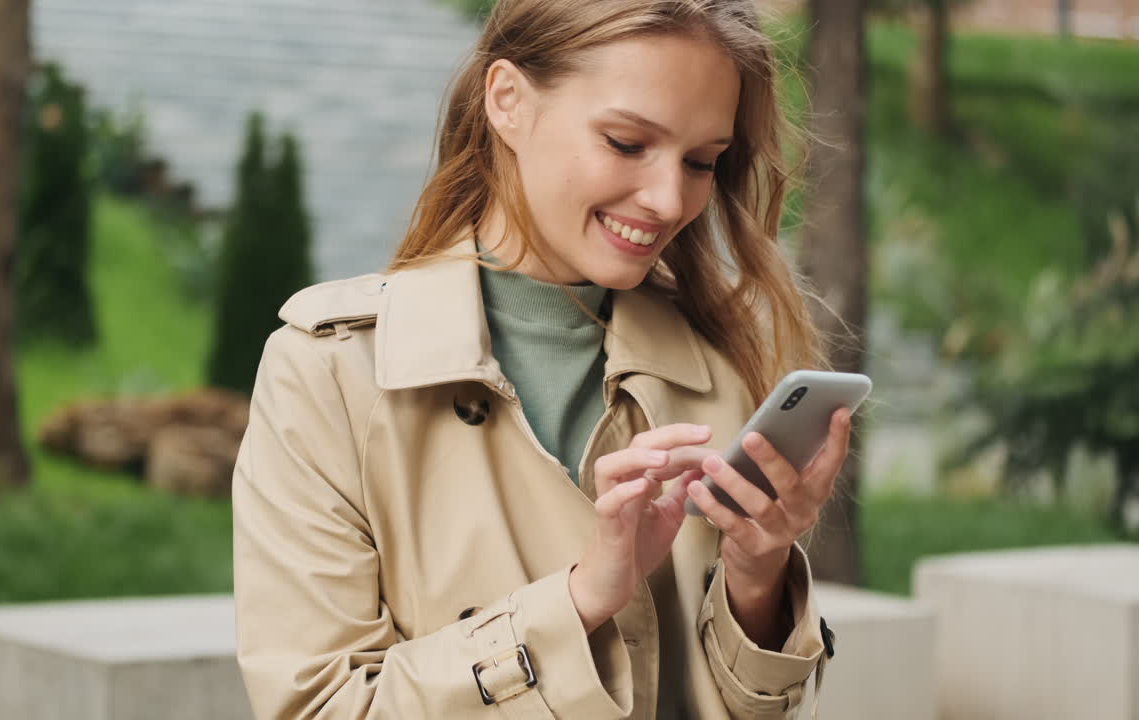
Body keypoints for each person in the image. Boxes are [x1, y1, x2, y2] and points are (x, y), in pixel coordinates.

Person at [232, 1, 852, 718]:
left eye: (701, 162)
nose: (667, 198)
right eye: (626, 143)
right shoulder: (330, 373)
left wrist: (757, 573)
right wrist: (580, 599)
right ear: (508, 102)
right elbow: (318, 707)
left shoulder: (714, 362)